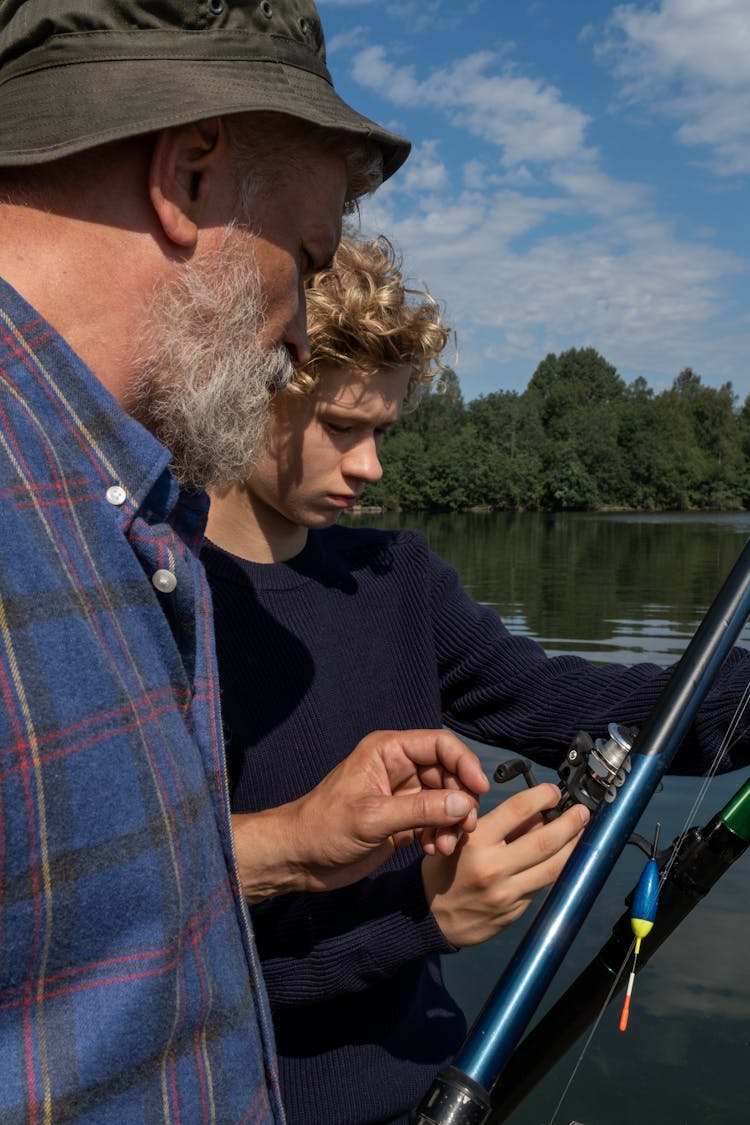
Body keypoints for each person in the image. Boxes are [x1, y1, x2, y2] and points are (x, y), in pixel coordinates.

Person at [0, 7, 493, 1123]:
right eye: (308, 259)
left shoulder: (115, 512)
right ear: (189, 174)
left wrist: (291, 847)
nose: (304, 340)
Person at [203, 234, 750, 1124]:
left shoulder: (398, 579)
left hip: (438, 1090)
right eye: (342, 427)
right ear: (249, 391)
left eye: (382, 430)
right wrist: (421, 913)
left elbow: (581, 703)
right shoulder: (150, 605)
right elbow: (158, 938)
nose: (372, 465)